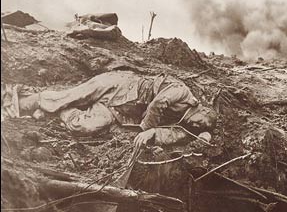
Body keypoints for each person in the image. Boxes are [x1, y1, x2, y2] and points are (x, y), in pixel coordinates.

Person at [11, 70, 218, 147]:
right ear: (203, 110)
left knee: (85, 127)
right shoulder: (183, 92)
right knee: (72, 96)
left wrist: (155, 133)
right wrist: (147, 129)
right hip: (119, 85)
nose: (196, 125)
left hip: (119, 111)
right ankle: (24, 102)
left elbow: (174, 135)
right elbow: (157, 103)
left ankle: (54, 111)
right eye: (201, 122)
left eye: (200, 127)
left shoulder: (186, 125)